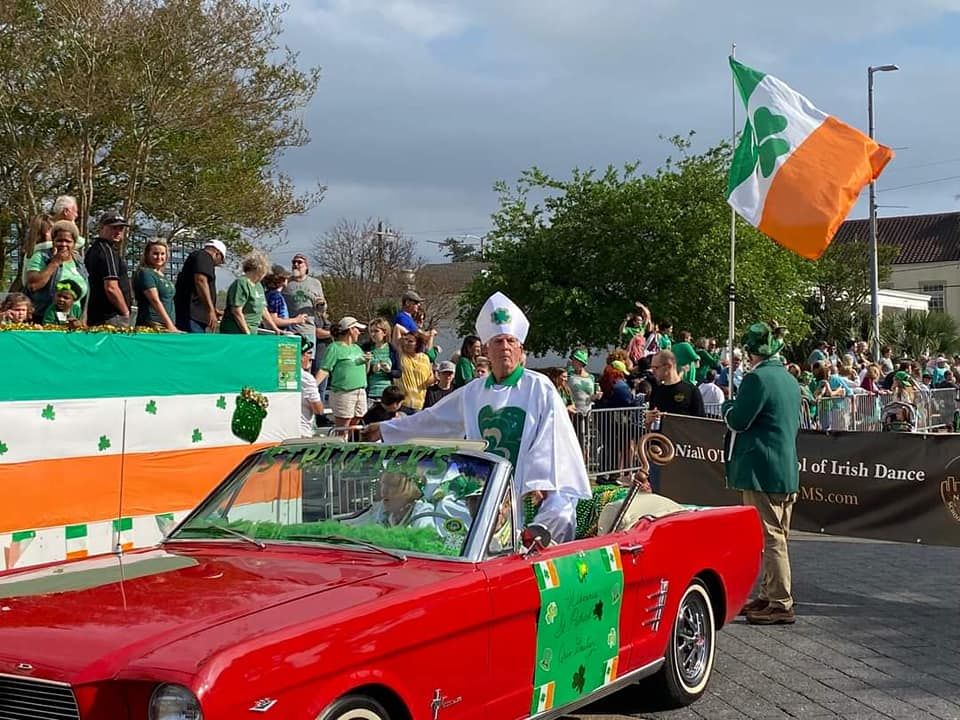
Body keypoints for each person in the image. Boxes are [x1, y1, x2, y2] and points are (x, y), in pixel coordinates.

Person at [365, 291, 592, 543]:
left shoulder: (539, 387)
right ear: (486, 349)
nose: (505, 347)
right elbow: (433, 420)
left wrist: (536, 482)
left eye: (510, 341)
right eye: (498, 342)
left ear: (520, 348)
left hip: (535, 487)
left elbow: (552, 437)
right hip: (487, 490)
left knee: (556, 516)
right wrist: (386, 429)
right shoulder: (474, 391)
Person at [722, 322, 800, 626]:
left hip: (761, 467)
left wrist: (729, 405)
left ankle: (780, 602)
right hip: (784, 466)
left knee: (770, 536)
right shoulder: (789, 379)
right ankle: (770, 594)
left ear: (753, 353)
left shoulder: (757, 380)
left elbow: (738, 421)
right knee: (777, 533)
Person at [25, 220, 89, 323]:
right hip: (45, 321)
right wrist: (55, 262)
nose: (63, 244)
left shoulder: (79, 261)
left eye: (68, 241)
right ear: (53, 241)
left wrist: (82, 322)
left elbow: (84, 296)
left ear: (74, 243)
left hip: (74, 322)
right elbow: (33, 285)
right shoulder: (41, 257)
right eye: (59, 240)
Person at [316, 317, 370, 427]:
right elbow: (325, 369)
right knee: (343, 426)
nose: (359, 333)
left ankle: (351, 442)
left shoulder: (357, 348)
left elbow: (365, 371)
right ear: (350, 330)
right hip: (343, 392)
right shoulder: (334, 348)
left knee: (357, 422)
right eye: (357, 329)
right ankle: (340, 442)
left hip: (360, 391)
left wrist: (367, 361)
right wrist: (312, 385)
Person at [84, 212, 133, 326]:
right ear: (101, 227)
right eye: (114, 228)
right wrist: (125, 312)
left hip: (96, 316)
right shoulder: (107, 252)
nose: (118, 232)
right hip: (110, 317)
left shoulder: (94, 249)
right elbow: (111, 287)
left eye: (121, 228)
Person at [283, 253, 329, 367]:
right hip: (288, 330)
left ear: (306, 266)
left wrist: (321, 304)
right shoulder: (286, 282)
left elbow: (322, 309)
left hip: (308, 330)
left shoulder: (315, 283)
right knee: (288, 365)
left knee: (305, 365)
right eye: (294, 262)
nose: (296, 265)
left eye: (299, 262)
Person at [220, 252, 281, 335]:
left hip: (253, 330)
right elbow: (236, 311)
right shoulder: (241, 283)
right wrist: (247, 333)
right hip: (236, 332)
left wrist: (275, 328)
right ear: (259, 269)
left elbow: (263, 309)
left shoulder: (259, 286)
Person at [174, 240, 225, 333]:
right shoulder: (204, 256)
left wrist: (213, 309)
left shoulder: (197, 258)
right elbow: (201, 281)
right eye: (220, 261)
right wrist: (210, 310)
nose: (217, 265)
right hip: (191, 316)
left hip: (192, 316)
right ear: (217, 253)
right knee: (193, 345)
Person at [133, 238, 178, 331]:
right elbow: (154, 300)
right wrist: (170, 325)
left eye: (162, 254)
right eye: (155, 254)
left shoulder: (162, 275)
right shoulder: (145, 273)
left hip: (167, 324)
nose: (159, 257)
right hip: (153, 324)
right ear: (147, 254)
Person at [396, 333, 435, 412]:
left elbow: (429, 379)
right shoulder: (400, 354)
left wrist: (434, 379)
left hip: (419, 404)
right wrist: (422, 333)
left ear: (417, 344)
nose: (406, 343)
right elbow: (397, 327)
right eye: (405, 340)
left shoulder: (425, 358)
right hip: (402, 403)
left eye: (410, 341)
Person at [263, 266, 307, 330]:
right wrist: (296, 320)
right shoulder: (276, 296)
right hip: (277, 334)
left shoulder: (266, 294)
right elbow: (273, 319)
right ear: (282, 280)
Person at [365, 318, 399, 402]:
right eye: (371, 331)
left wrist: (389, 371)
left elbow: (399, 373)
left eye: (376, 331)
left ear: (384, 332)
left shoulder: (392, 349)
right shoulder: (366, 348)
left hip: (387, 395)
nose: (372, 334)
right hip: (370, 394)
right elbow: (361, 372)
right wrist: (372, 369)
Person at [300, 338, 324, 437]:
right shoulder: (307, 378)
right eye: (309, 353)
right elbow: (318, 410)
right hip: (302, 434)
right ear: (301, 356)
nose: (312, 357)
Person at [567, 349, 598, 415]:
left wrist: (596, 396)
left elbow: (592, 396)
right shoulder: (569, 375)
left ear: (581, 362)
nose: (572, 362)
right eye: (572, 360)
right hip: (572, 413)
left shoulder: (591, 377)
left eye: (574, 360)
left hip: (587, 413)